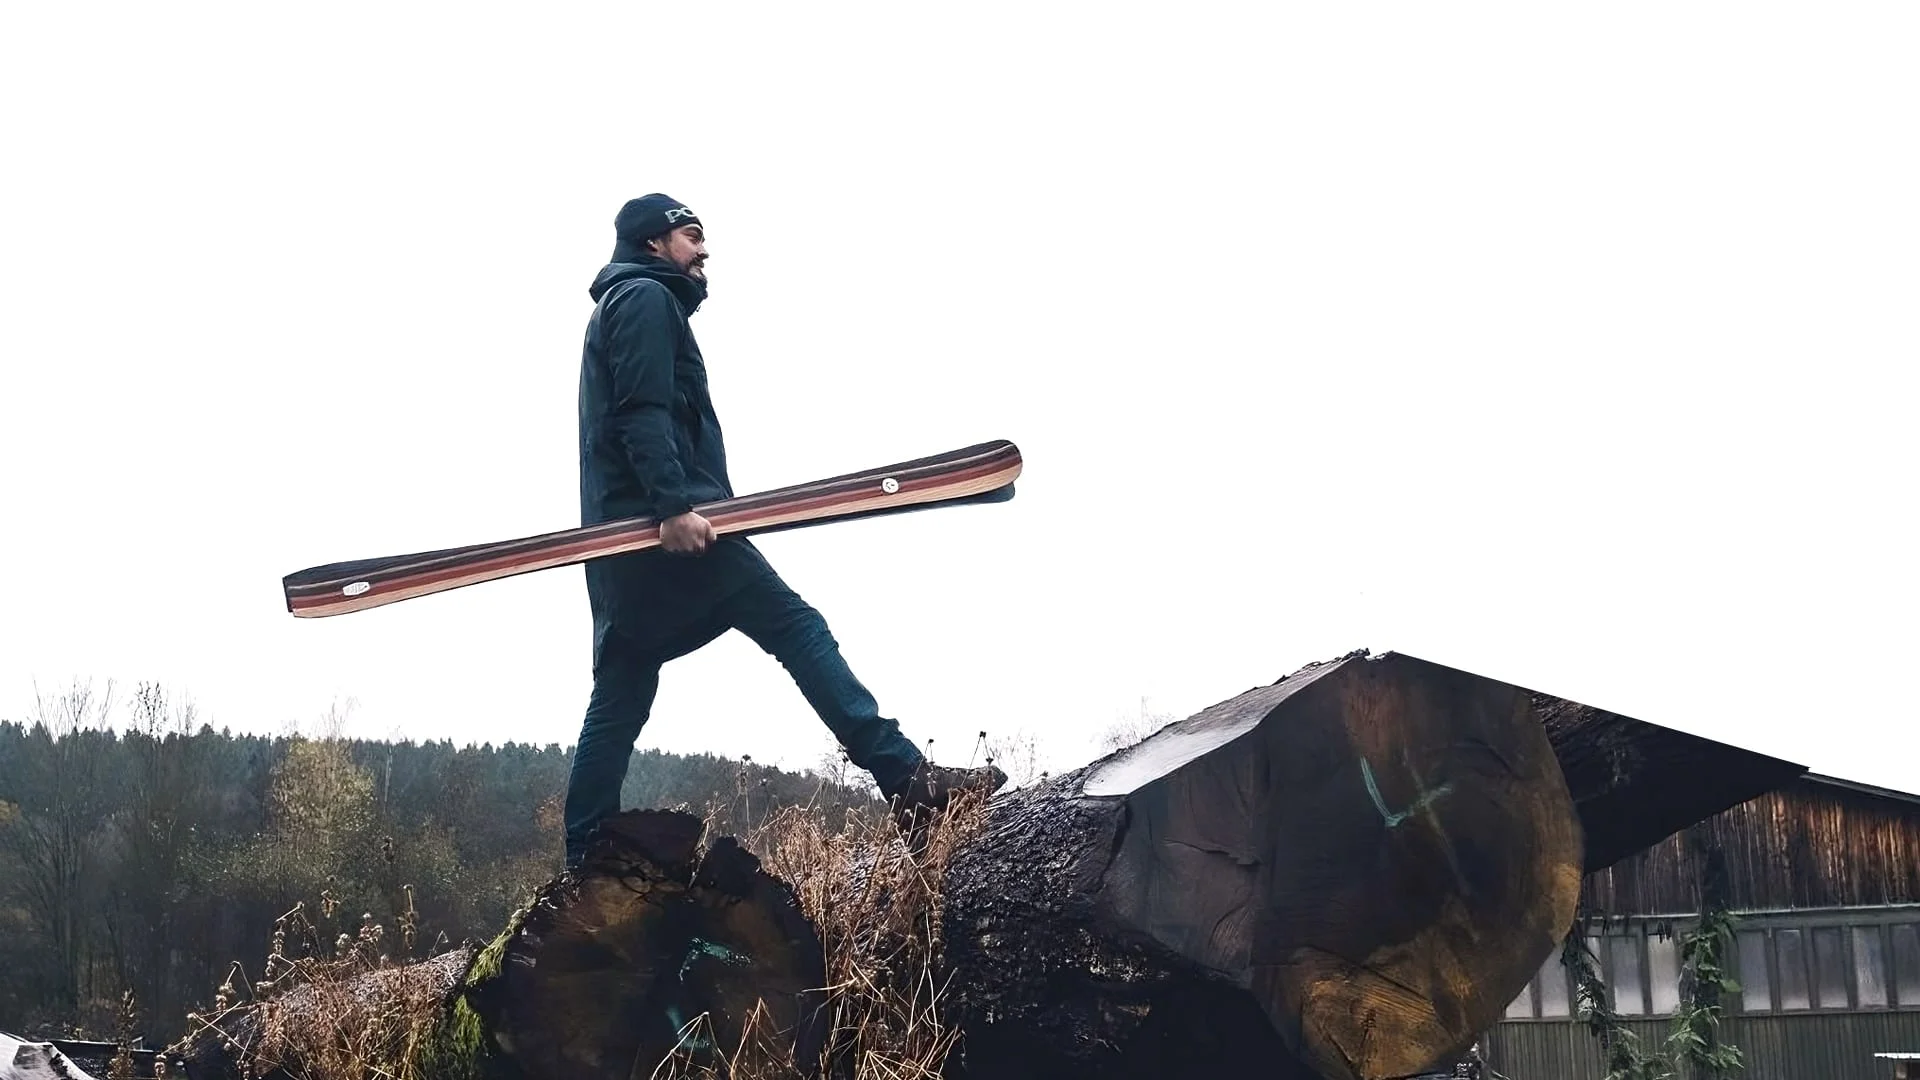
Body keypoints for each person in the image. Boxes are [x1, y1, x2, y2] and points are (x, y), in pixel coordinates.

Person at [563, 193, 1005, 866]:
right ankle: (906, 780)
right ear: (654, 242)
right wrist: (673, 506)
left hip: (624, 550)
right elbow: (641, 411)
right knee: (797, 627)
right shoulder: (645, 300)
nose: (703, 250)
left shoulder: (622, 305)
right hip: (666, 529)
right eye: (691, 235)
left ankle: (584, 857)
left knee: (623, 687)